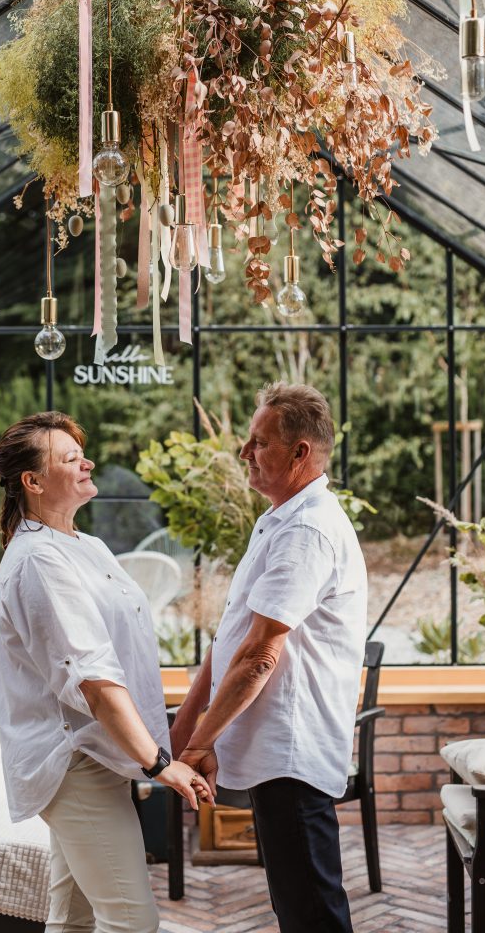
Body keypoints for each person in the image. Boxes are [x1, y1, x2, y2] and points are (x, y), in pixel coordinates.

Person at [0, 411, 213, 933]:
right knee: (132, 921)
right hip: (75, 762)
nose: (87, 462)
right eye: (71, 458)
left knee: (73, 919)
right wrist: (159, 764)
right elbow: (93, 681)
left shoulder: (84, 546)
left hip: (99, 754)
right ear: (33, 481)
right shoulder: (40, 561)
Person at [170, 382, 367, 933]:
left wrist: (200, 743)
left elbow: (259, 656)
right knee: (297, 906)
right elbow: (233, 638)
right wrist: (186, 732)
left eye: (258, 442)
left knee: (312, 915)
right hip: (275, 750)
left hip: (291, 752)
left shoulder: (306, 530)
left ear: (300, 452)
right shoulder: (280, 519)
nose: (244, 452)